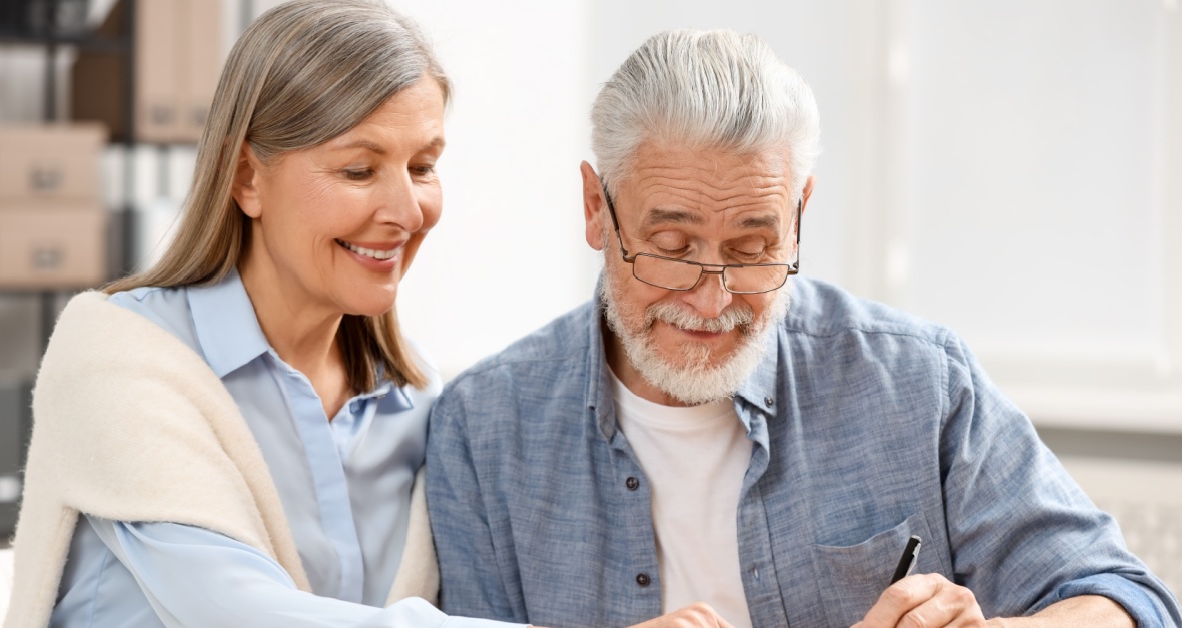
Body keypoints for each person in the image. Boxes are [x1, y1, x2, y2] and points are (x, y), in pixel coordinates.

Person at [425, 29, 1182, 628]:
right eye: (672, 248)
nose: (712, 298)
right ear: (597, 208)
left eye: (753, 250)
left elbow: (1122, 596)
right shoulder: (484, 429)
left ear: (798, 216)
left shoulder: (918, 382)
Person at [4, 2, 527, 627]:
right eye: (359, 170)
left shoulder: (417, 402)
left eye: (422, 168)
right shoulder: (118, 364)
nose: (408, 212)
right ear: (247, 176)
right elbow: (241, 614)